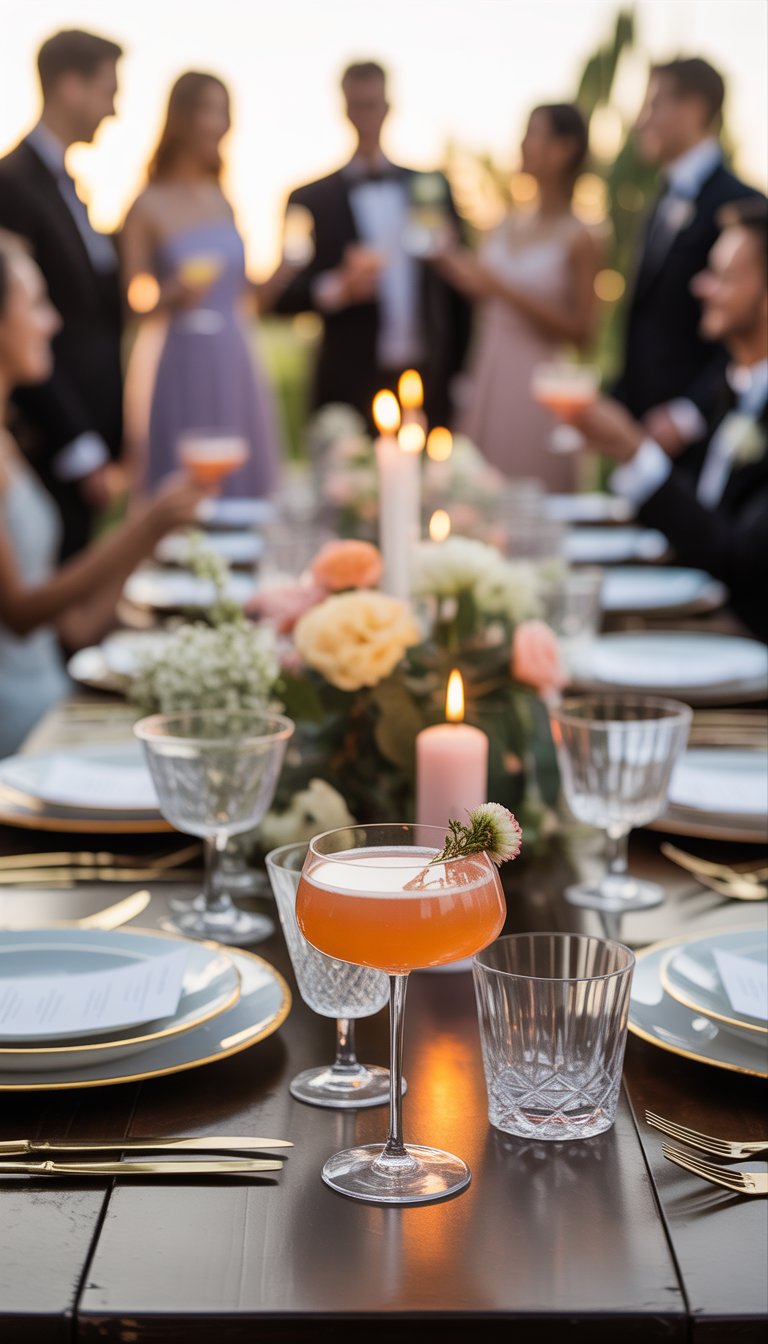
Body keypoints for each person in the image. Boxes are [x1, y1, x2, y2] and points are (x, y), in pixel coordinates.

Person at [0, 231, 208, 756]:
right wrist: (144, 527)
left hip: (54, 700)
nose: (54, 321)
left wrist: (146, 535)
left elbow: (75, 625)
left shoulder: (7, 437)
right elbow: (20, 614)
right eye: (38, 303)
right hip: (23, 731)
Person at [574, 197, 768, 643]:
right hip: (704, 630)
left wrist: (633, 451)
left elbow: (739, 558)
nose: (701, 286)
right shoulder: (727, 387)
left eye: (722, 276)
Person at [273, 61, 470, 427]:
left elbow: (459, 293)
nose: (366, 115)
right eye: (357, 105)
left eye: (373, 104)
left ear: (389, 107)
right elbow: (283, 297)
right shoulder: (308, 200)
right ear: (344, 110)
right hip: (347, 382)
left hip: (427, 377)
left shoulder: (429, 188)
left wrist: (462, 372)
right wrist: (337, 288)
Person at [120, 71, 287, 498]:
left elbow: (250, 296)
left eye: (224, 112)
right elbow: (130, 303)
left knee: (242, 481)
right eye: (209, 110)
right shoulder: (146, 205)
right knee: (182, 483)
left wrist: (287, 267)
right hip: (180, 358)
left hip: (234, 354)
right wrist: (172, 293)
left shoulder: (223, 198)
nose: (220, 124)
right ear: (182, 118)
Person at [0, 29, 124, 559]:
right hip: (55, 443)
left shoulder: (70, 186)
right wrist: (78, 444)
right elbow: (14, 321)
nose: (114, 110)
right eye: (108, 92)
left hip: (96, 428)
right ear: (70, 87)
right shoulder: (11, 183)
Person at [435, 103, 601, 489]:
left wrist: (502, 289)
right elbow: (481, 289)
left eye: (534, 134)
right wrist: (445, 257)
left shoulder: (582, 236)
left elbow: (583, 333)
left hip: (538, 384)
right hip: (489, 369)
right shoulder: (502, 222)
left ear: (565, 149)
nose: (524, 145)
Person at [613, 56, 762, 455]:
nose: (642, 120)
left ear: (693, 109)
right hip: (641, 426)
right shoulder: (661, 199)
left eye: (653, 104)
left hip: (701, 439)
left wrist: (690, 412)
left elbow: (751, 331)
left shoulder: (744, 207)